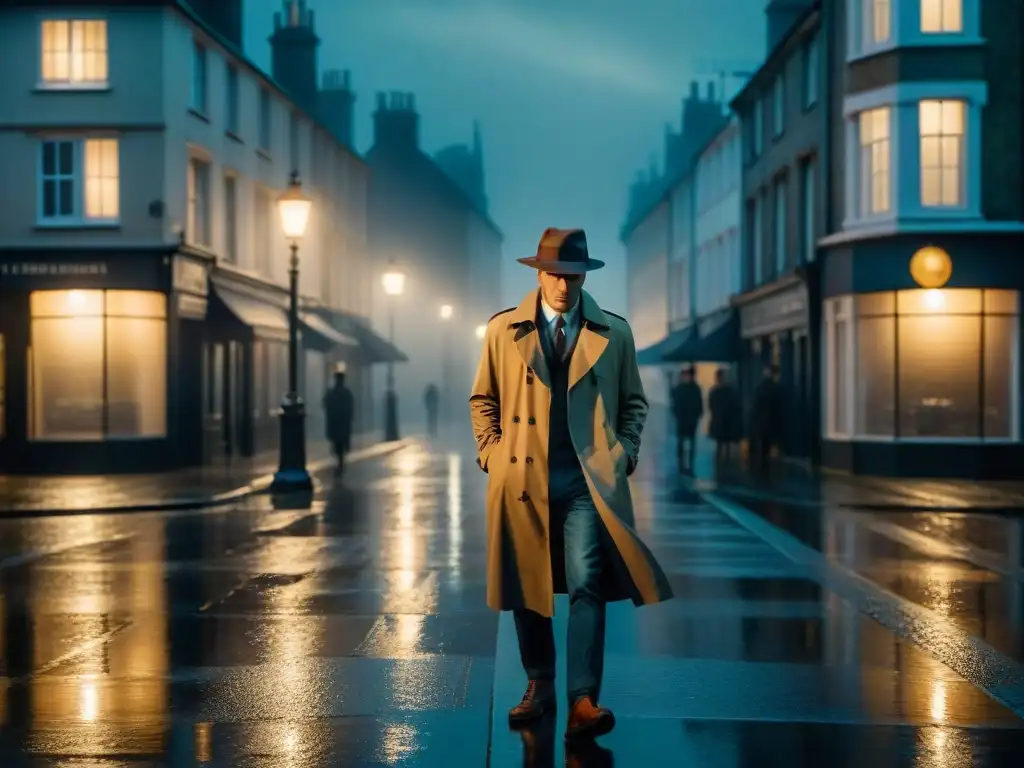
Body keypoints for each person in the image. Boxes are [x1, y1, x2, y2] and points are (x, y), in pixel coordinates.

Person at [469, 227, 673, 744]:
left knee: (587, 581)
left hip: (588, 482)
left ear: (584, 276)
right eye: (554, 274)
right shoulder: (502, 331)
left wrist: (622, 453)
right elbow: (483, 400)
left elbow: (634, 403)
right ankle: (539, 684)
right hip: (522, 477)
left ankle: (583, 698)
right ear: (538, 274)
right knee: (528, 585)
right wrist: (493, 456)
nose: (563, 285)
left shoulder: (614, 333)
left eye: (572, 275)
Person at [750, 363, 784, 480]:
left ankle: (762, 471)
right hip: (773, 423)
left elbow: (755, 407)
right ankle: (768, 470)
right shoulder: (776, 388)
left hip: (761, 423)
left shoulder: (759, 388)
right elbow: (780, 407)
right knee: (770, 446)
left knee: (762, 447)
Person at [670, 366, 703, 475]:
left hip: (685, 419)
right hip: (688, 419)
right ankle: (685, 464)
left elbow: (675, 404)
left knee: (684, 443)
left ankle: (683, 464)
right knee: (687, 443)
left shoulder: (681, 388)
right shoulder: (692, 388)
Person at [323, 362, 354, 476]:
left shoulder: (333, 393)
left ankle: (339, 460)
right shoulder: (345, 393)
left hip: (337, 422)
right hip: (341, 422)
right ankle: (340, 460)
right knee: (340, 442)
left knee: (338, 442)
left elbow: (326, 405)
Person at [708, 367, 741, 467]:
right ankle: (726, 462)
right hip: (727, 421)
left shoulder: (714, 392)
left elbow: (711, 406)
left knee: (720, 444)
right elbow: (736, 406)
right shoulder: (731, 391)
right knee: (726, 444)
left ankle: (720, 462)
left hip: (719, 420)